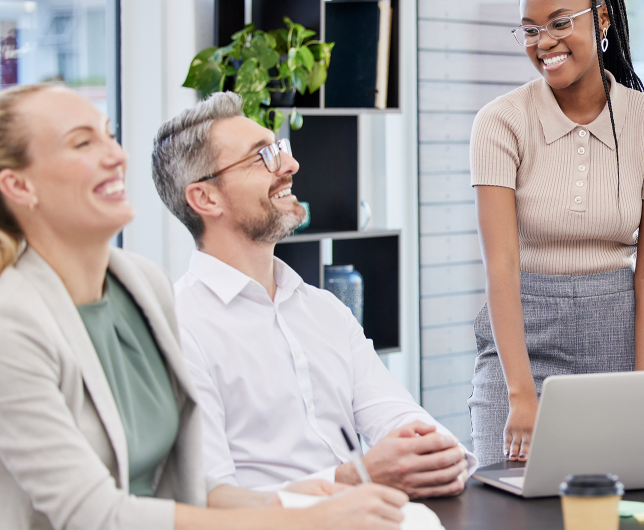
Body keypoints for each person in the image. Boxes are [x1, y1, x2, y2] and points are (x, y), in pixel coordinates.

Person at [0, 83, 407, 529]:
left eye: (108, 135)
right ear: (18, 186)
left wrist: (297, 501)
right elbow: (95, 515)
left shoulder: (140, 285)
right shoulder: (13, 322)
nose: (117, 156)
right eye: (82, 143)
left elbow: (193, 488)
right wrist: (306, 520)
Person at [151, 92, 476, 496]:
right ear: (206, 198)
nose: (290, 165)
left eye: (279, 149)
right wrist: (352, 479)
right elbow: (210, 501)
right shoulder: (179, 328)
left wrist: (435, 455)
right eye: (262, 156)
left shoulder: (324, 310)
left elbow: (398, 418)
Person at [468, 0, 644, 466]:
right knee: (509, 513)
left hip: (616, 342)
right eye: (530, 30)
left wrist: (643, 391)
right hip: (520, 350)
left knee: (612, 513)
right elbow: (502, 265)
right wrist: (521, 393)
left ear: (602, 18)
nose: (544, 42)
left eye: (560, 23)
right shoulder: (500, 123)